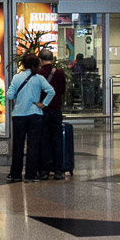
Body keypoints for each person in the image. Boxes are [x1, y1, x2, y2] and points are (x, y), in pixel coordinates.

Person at [5, 53, 55, 183]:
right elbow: (51, 91)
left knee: (18, 145)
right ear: (37, 64)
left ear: (22, 64)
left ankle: (15, 174)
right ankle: (30, 175)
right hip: (35, 114)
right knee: (33, 145)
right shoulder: (39, 78)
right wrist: (43, 104)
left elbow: (9, 95)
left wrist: (18, 95)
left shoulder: (17, 78)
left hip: (19, 115)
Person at [37, 49, 67, 180]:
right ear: (52, 59)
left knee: (43, 140)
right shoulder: (60, 73)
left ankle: (44, 170)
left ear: (40, 60)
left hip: (42, 111)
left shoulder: (38, 74)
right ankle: (59, 170)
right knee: (57, 140)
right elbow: (62, 90)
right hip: (56, 110)